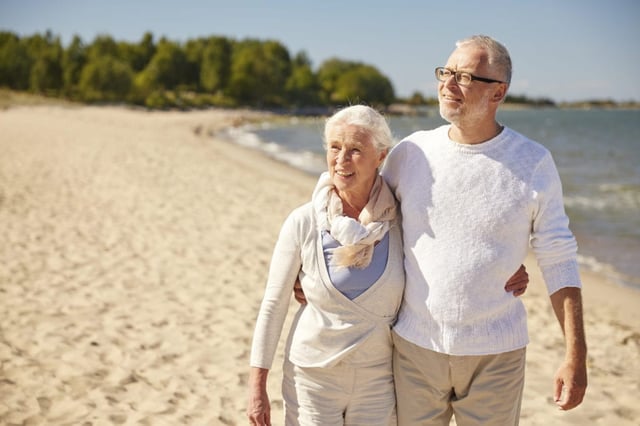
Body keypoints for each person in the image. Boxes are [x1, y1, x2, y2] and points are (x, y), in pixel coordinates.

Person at [247, 104, 529, 426]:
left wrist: (505, 270)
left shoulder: (402, 220)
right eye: (335, 148)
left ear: (381, 156)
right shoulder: (303, 222)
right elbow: (273, 305)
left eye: (355, 150)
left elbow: (454, 252)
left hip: (378, 380)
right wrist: (257, 386)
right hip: (312, 378)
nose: (341, 159)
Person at [381, 35, 587, 425]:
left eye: (464, 76)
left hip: (497, 353)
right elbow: (369, 219)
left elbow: (559, 260)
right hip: (414, 347)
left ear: (498, 93)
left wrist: (575, 357)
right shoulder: (409, 153)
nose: (447, 84)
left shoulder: (533, 162)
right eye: (446, 72)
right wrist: (319, 273)